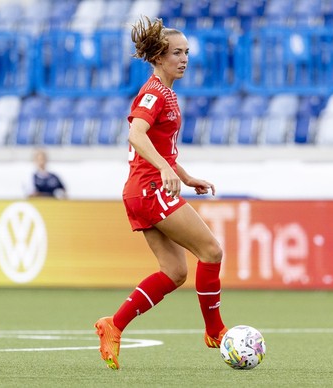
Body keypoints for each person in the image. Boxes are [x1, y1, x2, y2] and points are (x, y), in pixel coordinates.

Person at [94, 16, 227, 370]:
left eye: (187, 53)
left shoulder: (166, 93)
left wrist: (183, 174)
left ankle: (113, 325)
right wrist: (167, 171)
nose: (183, 59)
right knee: (211, 251)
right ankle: (214, 330)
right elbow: (136, 135)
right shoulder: (155, 93)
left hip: (141, 189)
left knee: (174, 271)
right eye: (176, 53)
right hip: (150, 189)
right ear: (157, 56)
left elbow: (159, 148)